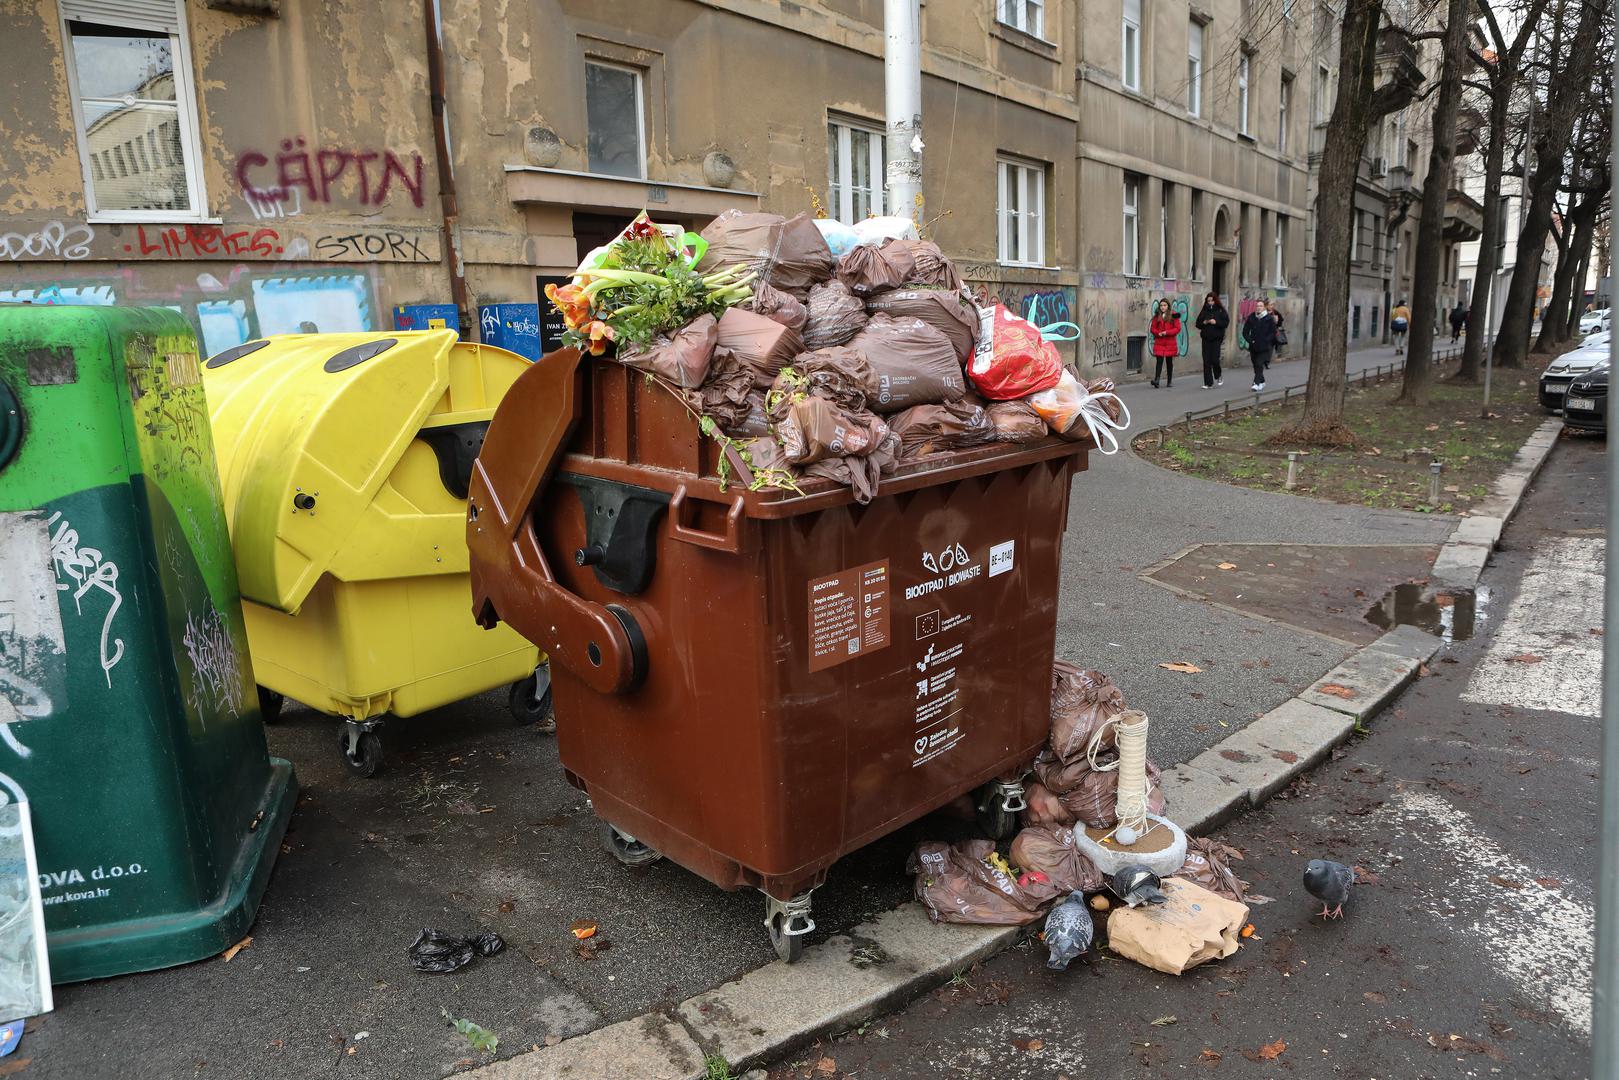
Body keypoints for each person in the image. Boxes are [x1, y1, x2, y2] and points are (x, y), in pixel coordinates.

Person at [1195, 292, 1229, 389]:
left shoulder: (1221, 311)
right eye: (1208, 301)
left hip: (1216, 338)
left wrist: (1216, 322)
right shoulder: (1204, 311)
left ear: (1215, 301)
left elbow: (1225, 323)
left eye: (1212, 301)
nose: (1210, 303)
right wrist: (1204, 322)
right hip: (1206, 338)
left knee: (1215, 359)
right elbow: (1197, 324)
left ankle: (1218, 375)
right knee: (1206, 361)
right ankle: (1208, 383)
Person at [1242, 300, 1278, 391]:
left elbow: (1273, 332)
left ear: (1264, 307)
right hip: (1254, 346)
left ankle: (1256, 383)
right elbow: (1245, 331)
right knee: (1255, 365)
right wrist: (1250, 341)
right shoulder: (1252, 317)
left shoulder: (1269, 318)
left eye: (1261, 306)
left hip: (1264, 346)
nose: (1258, 308)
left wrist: (1267, 340)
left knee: (1259, 364)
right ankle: (1262, 382)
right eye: (1257, 306)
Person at [1149, 299, 1182, 388]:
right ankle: (1157, 380)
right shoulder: (1157, 316)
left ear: (1168, 306)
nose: (1163, 307)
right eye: (1161, 305)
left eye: (1164, 305)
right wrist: (1157, 333)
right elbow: (1153, 328)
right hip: (1160, 341)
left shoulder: (1173, 315)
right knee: (1159, 361)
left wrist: (1166, 332)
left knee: (1169, 362)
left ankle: (1169, 381)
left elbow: (1177, 328)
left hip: (1170, 342)